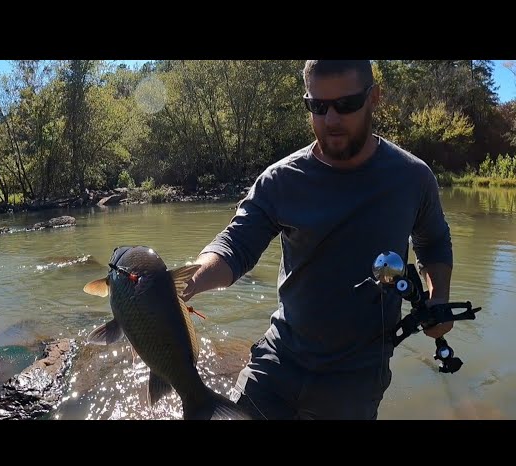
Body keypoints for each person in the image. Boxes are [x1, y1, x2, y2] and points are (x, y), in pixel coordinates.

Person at [180, 60, 454, 420]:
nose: (332, 119)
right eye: (318, 107)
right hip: (280, 357)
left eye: (346, 104)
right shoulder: (280, 180)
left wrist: (438, 300)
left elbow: (432, 241)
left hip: (357, 375)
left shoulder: (412, 178)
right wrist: (184, 283)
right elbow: (234, 245)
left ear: (374, 98)